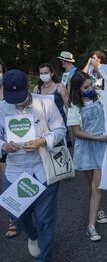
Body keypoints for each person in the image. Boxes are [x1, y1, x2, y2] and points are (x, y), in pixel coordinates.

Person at [0, 69, 66, 261]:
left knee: (46, 220)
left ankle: (43, 258)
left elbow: (60, 129)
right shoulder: (1, 108)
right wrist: (4, 145)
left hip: (43, 169)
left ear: (26, 88)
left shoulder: (46, 103)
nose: (17, 103)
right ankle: (33, 235)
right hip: (16, 171)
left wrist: (42, 141)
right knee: (16, 214)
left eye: (19, 97)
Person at [67, 72, 107, 241]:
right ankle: (98, 209)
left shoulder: (101, 97)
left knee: (96, 187)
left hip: (101, 145)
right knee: (91, 185)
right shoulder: (74, 106)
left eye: (91, 84)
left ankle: (90, 226)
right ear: (78, 90)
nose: (91, 88)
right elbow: (76, 132)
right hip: (85, 147)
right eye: (86, 87)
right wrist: (96, 137)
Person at [0, 61, 20, 239]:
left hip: (15, 146)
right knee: (6, 183)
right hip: (2, 144)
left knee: (13, 179)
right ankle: (13, 217)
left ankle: (16, 218)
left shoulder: (13, 92)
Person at [33, 63, 71, 146]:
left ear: (52, 73)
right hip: (42, 124)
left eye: (46, 73)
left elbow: (69, 106)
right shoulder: (37, 89)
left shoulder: (60, 87)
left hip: (58, 123)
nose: (43, 75)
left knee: (60, 148)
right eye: (41, 73)